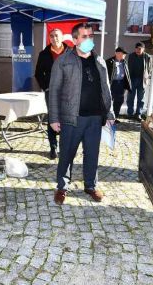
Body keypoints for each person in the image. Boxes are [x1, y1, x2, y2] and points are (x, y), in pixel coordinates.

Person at [48, 22, 114, 205]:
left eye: (91, 36)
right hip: (72, 117)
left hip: (95, 118)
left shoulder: (99, 60)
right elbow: (53, 91)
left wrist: (109, 113)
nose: (89, 39)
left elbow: (106, 89)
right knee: (67, 153)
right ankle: (62, 187)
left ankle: (91, 186)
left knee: (92, 153)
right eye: (85, 36)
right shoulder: (63, 61)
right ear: (75, 39)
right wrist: (53, 118)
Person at [34, 28, 69, 159]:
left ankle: (65, 146)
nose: (54, 38)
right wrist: (46, 87)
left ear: (62, 37)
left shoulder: (71, 52)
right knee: (52, 118)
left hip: (68, 92)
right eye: (52, 36)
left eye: (57, 36)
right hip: (51, 92)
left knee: (67, 118)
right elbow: (38, 74)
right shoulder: (44, 54)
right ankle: (53, 147)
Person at [126, 42, 151, 121]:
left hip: (142, 80)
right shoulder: (131, 56)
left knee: (141, 99)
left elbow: (149, 68)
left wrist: (147, 78)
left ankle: (138, 114)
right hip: (132, 80)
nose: (138, 50)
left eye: (140, 49)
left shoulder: (147, 57)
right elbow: (128, 67)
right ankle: (130, 113)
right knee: (130, 97)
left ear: (143, 49)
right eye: (136, 48)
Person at [106, 47, 130, 119]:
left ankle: (115, 117)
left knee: (119, 101)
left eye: (125, 54)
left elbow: (127, 74)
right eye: (123, 54)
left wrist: (127, 85)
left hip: (121, 84)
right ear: (117, 53)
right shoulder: (109, 61)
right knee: (109, 100)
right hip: (112, 83)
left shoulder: (124, 62)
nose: (124, 56)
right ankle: (107, 117)